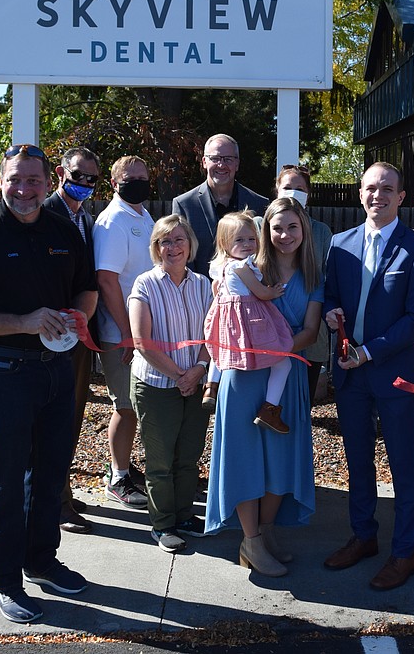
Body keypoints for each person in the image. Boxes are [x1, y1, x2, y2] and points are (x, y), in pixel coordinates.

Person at [0, 143, 97, 624]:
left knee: (50, 471)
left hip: (55, 370)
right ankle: (3, 579)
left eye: (33, 180)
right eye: (15, 180)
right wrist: (25, 322)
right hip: (3, 370)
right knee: (7, 479)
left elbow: (86, 289)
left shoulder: (64, 230)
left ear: (48, 183)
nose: (24, 189)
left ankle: (41, 561)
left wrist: (77, 318)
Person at [322, 162, 414, 591]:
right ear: (360, 193)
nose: (378, 196)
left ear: (401, 197)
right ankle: (364, 536)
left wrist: (369, 352)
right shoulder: (340, 244)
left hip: (393, 375)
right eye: (371, 188)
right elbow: (332, 293)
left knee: (404, 466)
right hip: (351, 376)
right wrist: (332, 313)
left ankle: (405, 554)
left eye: (388, 189)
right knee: (358, 462)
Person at [206, 197, 323, 577]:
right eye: (277, 228)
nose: (285, 235)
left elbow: (309, 331)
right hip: (243, 374)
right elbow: (223, 319)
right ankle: (251, 542)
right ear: (264, 233)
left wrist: (275, 348)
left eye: (292, 227)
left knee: (280, 460)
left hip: (283, 374)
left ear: (303, 229)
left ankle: (266, 533)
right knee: (245, 458)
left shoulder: (313, 276)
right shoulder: (247, 269)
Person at [128, 215, 214, 553]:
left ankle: (183, 516)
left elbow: (213, 334)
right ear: (156, 248)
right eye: (165, 241)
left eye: (179, 239)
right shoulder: (144, 285)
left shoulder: (203, 284)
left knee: (188, 457)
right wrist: (180, 375)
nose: (173, 247)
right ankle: (162, 525)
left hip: (195, 382)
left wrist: (199, 369)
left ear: (190, 245)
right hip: (156, 386)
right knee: (161, 462)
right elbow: (141, 342)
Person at [41, 146, 101, 535]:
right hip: (50, 337)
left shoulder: (87, 219)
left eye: (91, 179)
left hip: (79, 332)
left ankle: (60, 490)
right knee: (53, 420)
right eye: (77, 175)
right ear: (61, 172)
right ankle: (54, 503)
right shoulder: (44, 215)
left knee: (72, 415)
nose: (83, 184)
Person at [93, 156, 155, 512]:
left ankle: (128, 465)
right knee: (126, 404)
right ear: (114, 183)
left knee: (139, 404)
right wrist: (127, 332)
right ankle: (117, 476)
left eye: (143, 178)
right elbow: (106, 280)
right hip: (121, 335)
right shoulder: (113, 221)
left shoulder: (143, 216)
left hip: (141, 333)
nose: (138, 183)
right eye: (130, 178)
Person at [202, 210, 294, 434]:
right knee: (283, 363)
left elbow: (217, 290)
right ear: (225, 243)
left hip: (227, 323)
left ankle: (210, 387)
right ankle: (269, 409)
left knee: (219, 349)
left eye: (251, 239)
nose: (247, 244)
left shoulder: (220, 266)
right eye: (239, 240)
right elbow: (260, 292)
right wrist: (273, 292)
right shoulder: (240, 267)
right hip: (250, 321)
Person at [273, 165, 333, 403]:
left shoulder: (321, 232)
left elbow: (328, 277)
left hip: (311, 333)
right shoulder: (260, 225)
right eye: (287, 187)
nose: (293, 193)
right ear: (277, 190)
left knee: (300, 404)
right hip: (269, 330)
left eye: (299, 188)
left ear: (308, 194)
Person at [172, 133, 270, 277]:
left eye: (228, 159)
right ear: (204, 162)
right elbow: (181, 257)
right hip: (200, 294)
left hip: (251, 294)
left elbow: (266, 254)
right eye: (215, 158)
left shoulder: (259, 204)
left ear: (237, 164)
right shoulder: (184, 205)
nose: (221, 165)